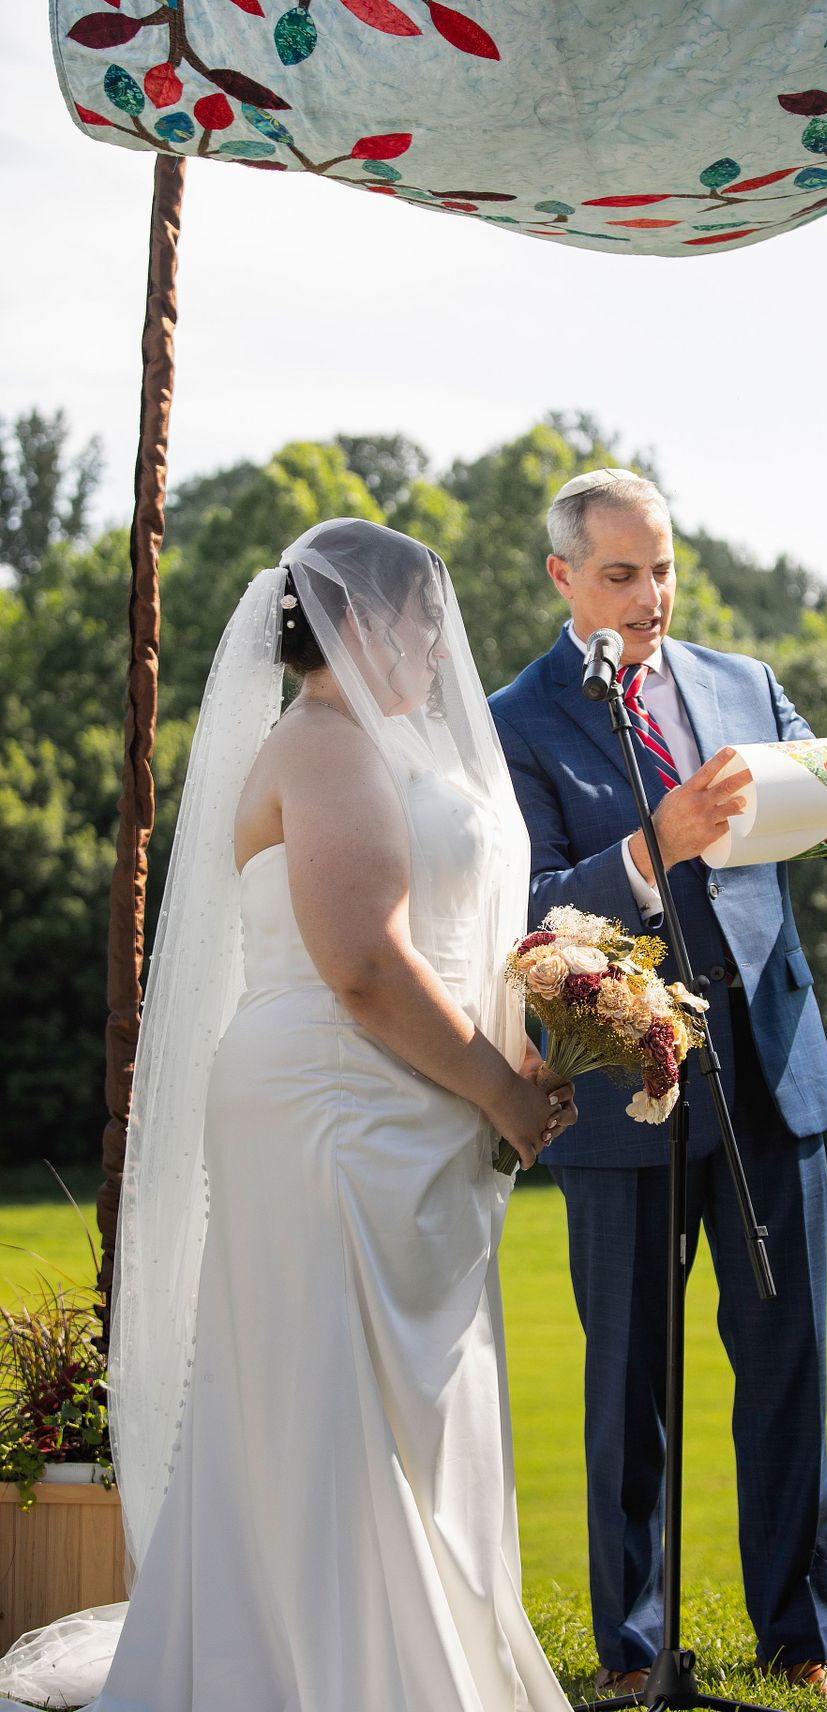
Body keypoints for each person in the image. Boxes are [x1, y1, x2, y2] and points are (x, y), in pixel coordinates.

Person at [0, 519, 578, 1711]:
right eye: (422, 618)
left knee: (392, 1408)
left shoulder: (392, 752)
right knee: (327, 1402)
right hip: (328, 1109)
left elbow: (440, 935)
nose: (436, 643)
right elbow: (363, 965)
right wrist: (504, 1090)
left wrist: (542, 1029)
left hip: (403, 1107)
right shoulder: (319, 746)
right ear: (362, 622)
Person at [489, 470, 827, 1699]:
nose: (651, 598)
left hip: (769, 1079)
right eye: (621, 575)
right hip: (621, 1097)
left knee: (789, 1363)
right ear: (563, 577)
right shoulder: (513, 721)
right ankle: (634, 1653)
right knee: (629, 1391)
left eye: (662, 570)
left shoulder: (743, 686)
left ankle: (799, 1640)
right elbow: (530, 909)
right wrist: (653, 846)